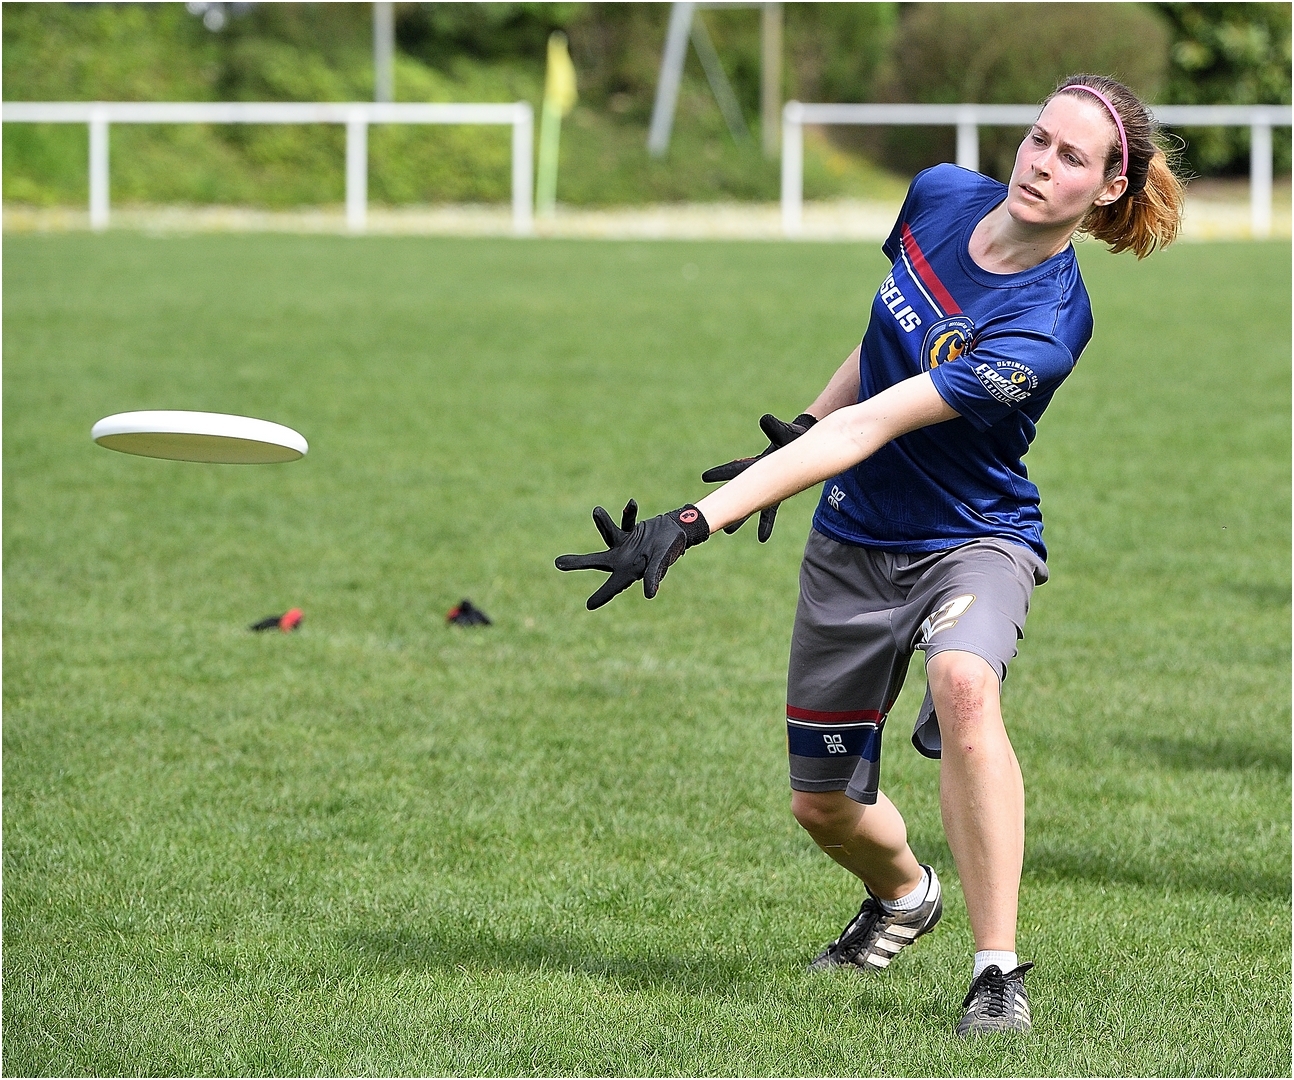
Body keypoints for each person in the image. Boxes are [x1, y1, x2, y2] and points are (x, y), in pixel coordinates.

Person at [557, 74, 1184, 1036]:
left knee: (965, 686)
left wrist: (691, 521)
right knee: (822, 807)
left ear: (1107, 188)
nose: (1039, 163)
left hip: (972, 537)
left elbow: (876, 423)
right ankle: (904, 896)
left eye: (1070, 157)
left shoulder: (1048, 325)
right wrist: (803, 426)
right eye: (1037, 138)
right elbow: (884, 341)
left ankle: (997, 973)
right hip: (854, 539)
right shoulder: (938, 194)